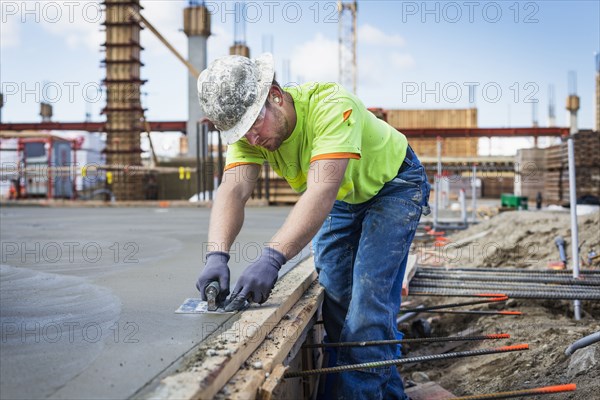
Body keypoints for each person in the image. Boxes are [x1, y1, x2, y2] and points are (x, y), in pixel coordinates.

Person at [195, 53, 430, 400]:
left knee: (368, 309)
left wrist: (272, 258)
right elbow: (234, 188)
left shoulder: (332, 107)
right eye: (242, 133)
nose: (253, 140)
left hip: (393, 186)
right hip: (345, 196)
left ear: (274, 95)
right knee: (336, 298)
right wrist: (217, 254)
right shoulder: (251, 133)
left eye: (255, 126)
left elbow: (321, 190)